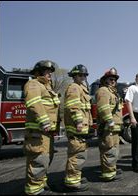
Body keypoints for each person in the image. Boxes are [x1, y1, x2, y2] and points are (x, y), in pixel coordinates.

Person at [24, 60, 60, 195]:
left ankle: (41, 185)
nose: (50, 74)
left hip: (46, 133)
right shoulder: (33, 84)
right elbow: (34, 103)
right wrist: (44, 121)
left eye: (50, 72)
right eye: (47, 72)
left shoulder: (46, 88)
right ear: (38, 72)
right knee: (38, 160)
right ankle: (34, 191)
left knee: (45, 160)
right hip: (38, 132)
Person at [63, 64, 92, 192]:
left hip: (81, 128)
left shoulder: (81, 88)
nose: (83, 77)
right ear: (74, 75)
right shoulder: (74, 87)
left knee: (80, 154)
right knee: (76, 156)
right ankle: (72, 183)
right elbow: (73, 107)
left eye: (85, 75)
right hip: (76, 128)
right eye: (80, 75)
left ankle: (75, 178)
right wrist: (79, 122)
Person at [96, 67, 123, 181]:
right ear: (105, 80)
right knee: (108, 149)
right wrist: (110, 120)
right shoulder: (103, 91)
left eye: (114, 79)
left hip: (114, 127)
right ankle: (107, 174)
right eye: (110, 79)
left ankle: (112, 169)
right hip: (108, 127)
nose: (113, 81)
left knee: (114, 150)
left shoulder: (113, 92)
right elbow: (103, 107)